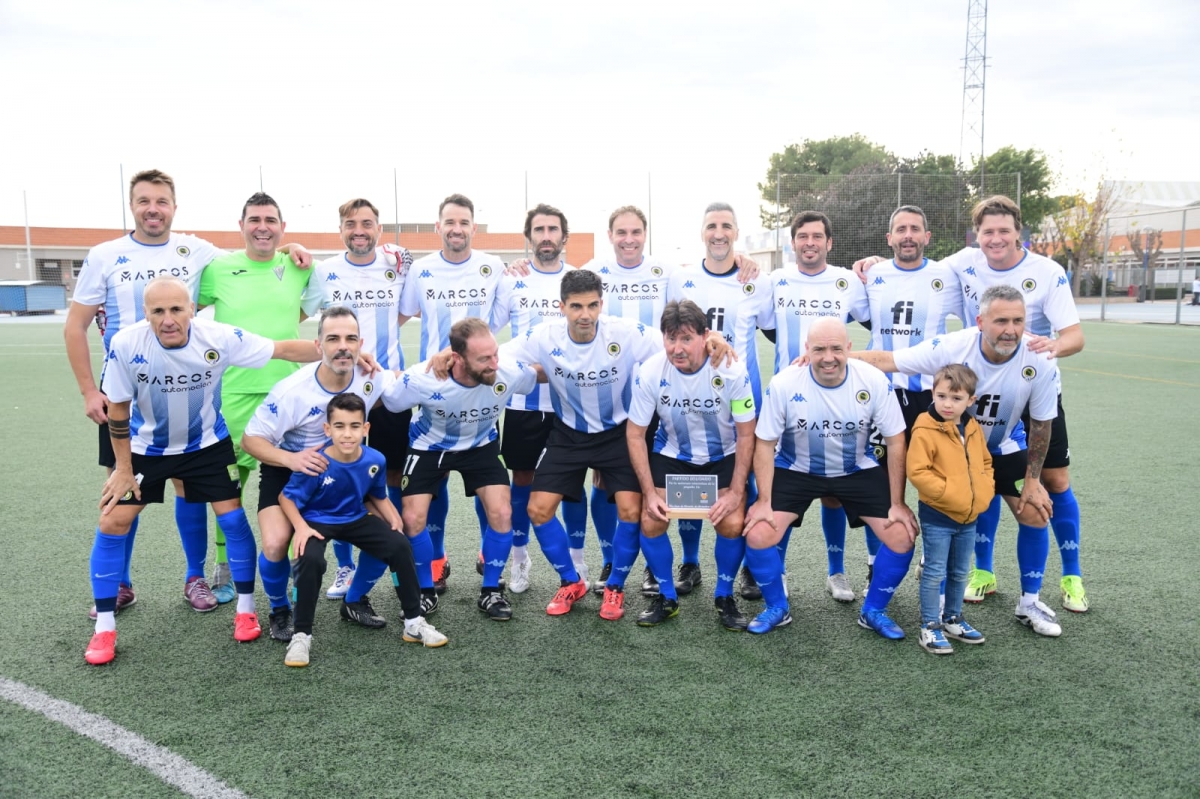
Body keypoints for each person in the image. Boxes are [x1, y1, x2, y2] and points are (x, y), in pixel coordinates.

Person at [65, 170, 310, 614]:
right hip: (127, 391)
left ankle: (194, 576)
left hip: (188, 386)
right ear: (132, 205)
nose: (153, 208)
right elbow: (76, 325)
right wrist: (88, 390)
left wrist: (289, 249)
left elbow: (253, 253)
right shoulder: (104, 255)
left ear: (174, 207)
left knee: (188, 482)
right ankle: (120, 585)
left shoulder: (197, 252)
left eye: (161, 201)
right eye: (144, 201)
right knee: (122, 486)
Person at [856, 195, 1089, 613]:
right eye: (988, 232)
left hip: (1031, 392)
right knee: (971, 479)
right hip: (968, 392)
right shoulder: (961, 264)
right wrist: (876, 262)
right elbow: (911, 265)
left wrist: (1052, 347)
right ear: (976, 236)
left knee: (1051, 484)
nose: (996, 239)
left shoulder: (1047, 272)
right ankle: (981, 571)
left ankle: (1071, 575)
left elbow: (1074, 336)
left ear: (1019, 232)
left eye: (1004, 231)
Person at [84, 276, 317, 665]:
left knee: (232, 518)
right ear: (146, 314)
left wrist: (338, 350)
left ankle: (245, 609)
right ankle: (104, 628)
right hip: (147, 450)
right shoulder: (126, 344)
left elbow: (280, 348)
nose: (168, 319)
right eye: (158, 311)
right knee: (112, 522)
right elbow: (119, 410)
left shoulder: (218, 337)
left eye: (176, 309)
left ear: (192, 308)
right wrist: (123, 468)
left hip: (206, 446)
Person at [501, 270, 734, 622]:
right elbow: (497, 355)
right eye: (576, 306)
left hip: (617, 433)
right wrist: (528, 372)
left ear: (601, 304)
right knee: (538, 509)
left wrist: (712, 338)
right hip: (568, 434)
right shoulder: (543, 335)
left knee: (630, 511)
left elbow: (677, 341)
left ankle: (615, 587)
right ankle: (571, 581)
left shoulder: (624, 333)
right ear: (561, 306)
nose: (585, 314)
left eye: (592, 305)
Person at [849, 285, 1063, 637]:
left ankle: (1029, 603)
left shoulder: (1038, 359)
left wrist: (1035, 480)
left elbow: (1041, 425)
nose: (1011, 329)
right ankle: (931, 611)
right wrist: (832, 356)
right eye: (1001, 321)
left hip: (1000, 447)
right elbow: (888, 360)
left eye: (1019, 321)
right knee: (940, 535)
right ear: (980, 321)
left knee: (1035, 511)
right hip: (952, 452)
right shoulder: (953, 346)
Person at [742, 318, 918, 638]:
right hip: (797, 469)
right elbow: (765, 444)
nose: (828, 357)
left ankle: (874, 610)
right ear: (807, 351)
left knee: (902, 534)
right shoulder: (785, 383)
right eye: (819, 349)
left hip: (855, 469)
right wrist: (764, 502)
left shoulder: (873, 380)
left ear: (849, 348)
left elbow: (895, 441)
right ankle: (777, 607)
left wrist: (898, 503)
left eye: (836, 348)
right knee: (757, 532)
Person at [241, 306, 398, 642]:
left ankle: (354, 600)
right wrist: (291, 459)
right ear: (318, 346)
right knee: (275, 543)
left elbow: (404, 386)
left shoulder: (371, 376)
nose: (343, 346)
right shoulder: (291, 391)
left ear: (360, 344)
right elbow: (250, 440)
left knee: (392, 531)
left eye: (350, 339)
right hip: (290, 473)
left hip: (346, 474)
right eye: (333, 339)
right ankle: (280, 608)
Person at [383, 318, 537, 621]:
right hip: (430, 447)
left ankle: (491, 590)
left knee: (502, 513)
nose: (494, 363)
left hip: (480, 446)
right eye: (484, 359)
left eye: (495, 353)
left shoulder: (508, 370)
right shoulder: (425, 377)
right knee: (412, 518)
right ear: (457, 358)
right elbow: (390, 400)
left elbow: (539, 376)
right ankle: (425, 592)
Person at [278, 393, 447, 667]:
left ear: (366, 429)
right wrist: (299, 528)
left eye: (355, 426)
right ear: (327, 429)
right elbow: (286, 498)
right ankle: (301, 635)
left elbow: (377, 495)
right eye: (340, 426)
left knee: (399, 545)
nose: (347, 434)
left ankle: (414, 623)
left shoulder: (375, 459)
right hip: (317, 521)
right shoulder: (315, 461)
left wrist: (394, 519)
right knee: (309, 559)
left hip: (356, 517)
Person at [300, 198, 413, 600]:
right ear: (341, 229)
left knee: (393, 476)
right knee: (336, 479)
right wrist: (287, 250)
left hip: (386, 394)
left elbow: (406, 312)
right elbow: (298, 312)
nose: (359, 230)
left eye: (367, 223)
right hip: (338, 397)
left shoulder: (398, 265)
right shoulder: (325, 270)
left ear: (379, 229)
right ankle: (346, 567)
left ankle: (396, 550)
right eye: (351, 223)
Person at [757, 211, 872, 603]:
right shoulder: (775, 280)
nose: (809, 242)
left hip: (837, 396)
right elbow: (765, 324)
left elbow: (877, 314)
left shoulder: (846, 281)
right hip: (787, 398)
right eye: (802, 236)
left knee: (834, 491)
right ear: (793, 243)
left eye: (817, 236)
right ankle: (779, 570)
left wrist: (875, 264)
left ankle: (836, 573)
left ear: (829, 242)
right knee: (779, 483)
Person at [626, 301, 757, 629]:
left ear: (705, 336)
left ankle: (724, 595)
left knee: (731, 522)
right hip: (673, 456)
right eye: (671, 339)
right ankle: (667, 597)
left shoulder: (731, 371)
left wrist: (736, 492)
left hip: (722, 456)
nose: (677, 348)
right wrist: (649, 493)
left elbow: (746, 434)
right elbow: (634, 434)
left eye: (686, 338)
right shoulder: (651, 372)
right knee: (651, 519)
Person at [856, 206, 966, 598]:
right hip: (879, 393)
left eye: (914, 229)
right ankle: (874, 562)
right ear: (888, 239)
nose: (907, 235)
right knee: (879, 482)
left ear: (927, 236)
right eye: (899, 229)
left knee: (933, 481)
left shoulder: (945, 277)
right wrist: (863, 264)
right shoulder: (873, 274)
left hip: (928, 397)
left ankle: (932, 566)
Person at [397, 193, 504, 594]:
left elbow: (508, 314)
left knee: (486, 477)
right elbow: (401, 315)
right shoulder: (421, 270)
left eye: (464, 222)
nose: (456, 229)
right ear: (438, 227)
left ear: (473, 228)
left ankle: (484, 552)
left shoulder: (493, 267)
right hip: (435, 390)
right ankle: (437, 558)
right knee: (432, 482)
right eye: (450, 222)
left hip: (480, 389)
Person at [666, 203, 773, 601]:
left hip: (743, 396)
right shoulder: (681, 278)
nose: (719, 233)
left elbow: (773, 330)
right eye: (712, 225)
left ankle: (747, 567)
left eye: (726, 226)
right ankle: (690, 562)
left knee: (742, 480)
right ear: (702, 232)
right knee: (692, 474)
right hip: (689, 395)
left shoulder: (757, 281)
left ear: (736, 232)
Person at [489, 204, 589, 593]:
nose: (546, 236)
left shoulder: (579, 279)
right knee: (523, 480)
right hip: (524, 405)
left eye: (553, 230)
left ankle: (578, 563)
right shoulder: (511, 280)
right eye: (539, 230)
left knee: (573, 485)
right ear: (528, 237)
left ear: (564, 237)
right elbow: (491, 329)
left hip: (572, 404)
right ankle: (520, 559)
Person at [906, 364, 994, 655]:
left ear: (971, 400)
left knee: (959, 571)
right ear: (933, 393)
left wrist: (984, 490)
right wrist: (949, 494)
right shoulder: (924, 427)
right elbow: (918, 471)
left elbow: (985, 463)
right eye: (941, 396)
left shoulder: (972, 426)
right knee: (934, 572)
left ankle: (953, 618)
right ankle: (929, 626)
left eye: (956, 398)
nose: (947, 403)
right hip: (939, 516)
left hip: (969, 516)